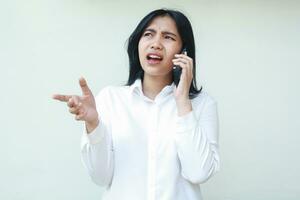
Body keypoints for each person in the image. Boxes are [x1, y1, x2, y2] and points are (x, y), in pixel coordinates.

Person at [53, 8, 220, 200]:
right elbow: (100, 177)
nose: (156, 44)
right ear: (138, 44)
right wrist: (93, 125)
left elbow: (199, 172)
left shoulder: (202, 105)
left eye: (168, 37)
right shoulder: (111, 98)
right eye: (148, 34)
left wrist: (183, 101)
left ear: (183, 51)